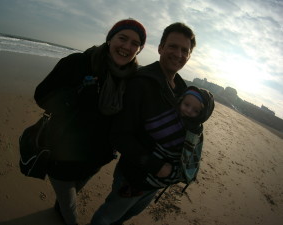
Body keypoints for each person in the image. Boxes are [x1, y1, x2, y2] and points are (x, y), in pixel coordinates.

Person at [90, 22, 214, 225]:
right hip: (135, 175)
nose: (178, 54)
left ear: (189, 56)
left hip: (157, 180)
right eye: (172, 46)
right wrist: (156, 165)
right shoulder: (141, 82)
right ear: (160, 48)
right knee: (108, 217)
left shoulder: (182, 89)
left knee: (128, 215)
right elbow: (119, 135)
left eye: (185, 50)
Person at [33, 18, 146, 225]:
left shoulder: (132, 80)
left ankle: (59, 209)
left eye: (135, 44)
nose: (127, 47)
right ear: (110, 39)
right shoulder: (78, 62)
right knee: (69, 207)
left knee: (75, 190)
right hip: (62, 155)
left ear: (138, 50)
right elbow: (41, 95)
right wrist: (75, 97)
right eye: (123, 38)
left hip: (96, 159)